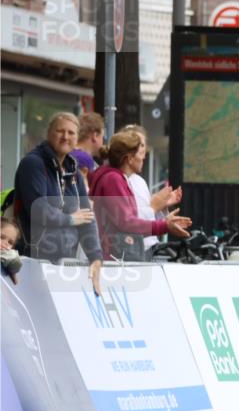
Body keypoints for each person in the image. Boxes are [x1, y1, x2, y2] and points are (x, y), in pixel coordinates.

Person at [13, 112, 103, 294]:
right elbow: (38, 209)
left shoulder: (74, 171)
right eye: (60, 131)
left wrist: (95, 257)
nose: (65, 137)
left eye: (71, 133)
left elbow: (86, 217)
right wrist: (70, 219)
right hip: (33, 261)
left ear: (77, 137)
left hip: (64, 263)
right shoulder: (33, 164)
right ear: (49, 134)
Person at [89, 128, 192, 261]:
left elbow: (126, 220)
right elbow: (126, 222)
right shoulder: (113, 179)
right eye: (140, 153)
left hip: (113, 256)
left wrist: (163, 221)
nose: (144, 157)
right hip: (114, 259)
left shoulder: (115, 178)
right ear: (129, 158)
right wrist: (164, 225)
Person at [70, 112, 105, 187]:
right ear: (95, 136)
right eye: (102, 137)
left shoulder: (70, 153)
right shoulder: (84, 158)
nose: (103, 141)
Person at [1, 218, 23, 284]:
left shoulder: (4, 254)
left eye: (10, 242)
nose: (6, 243)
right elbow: (14, 258)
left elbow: (14, 259)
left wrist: (12, 272)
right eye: (1, 237)